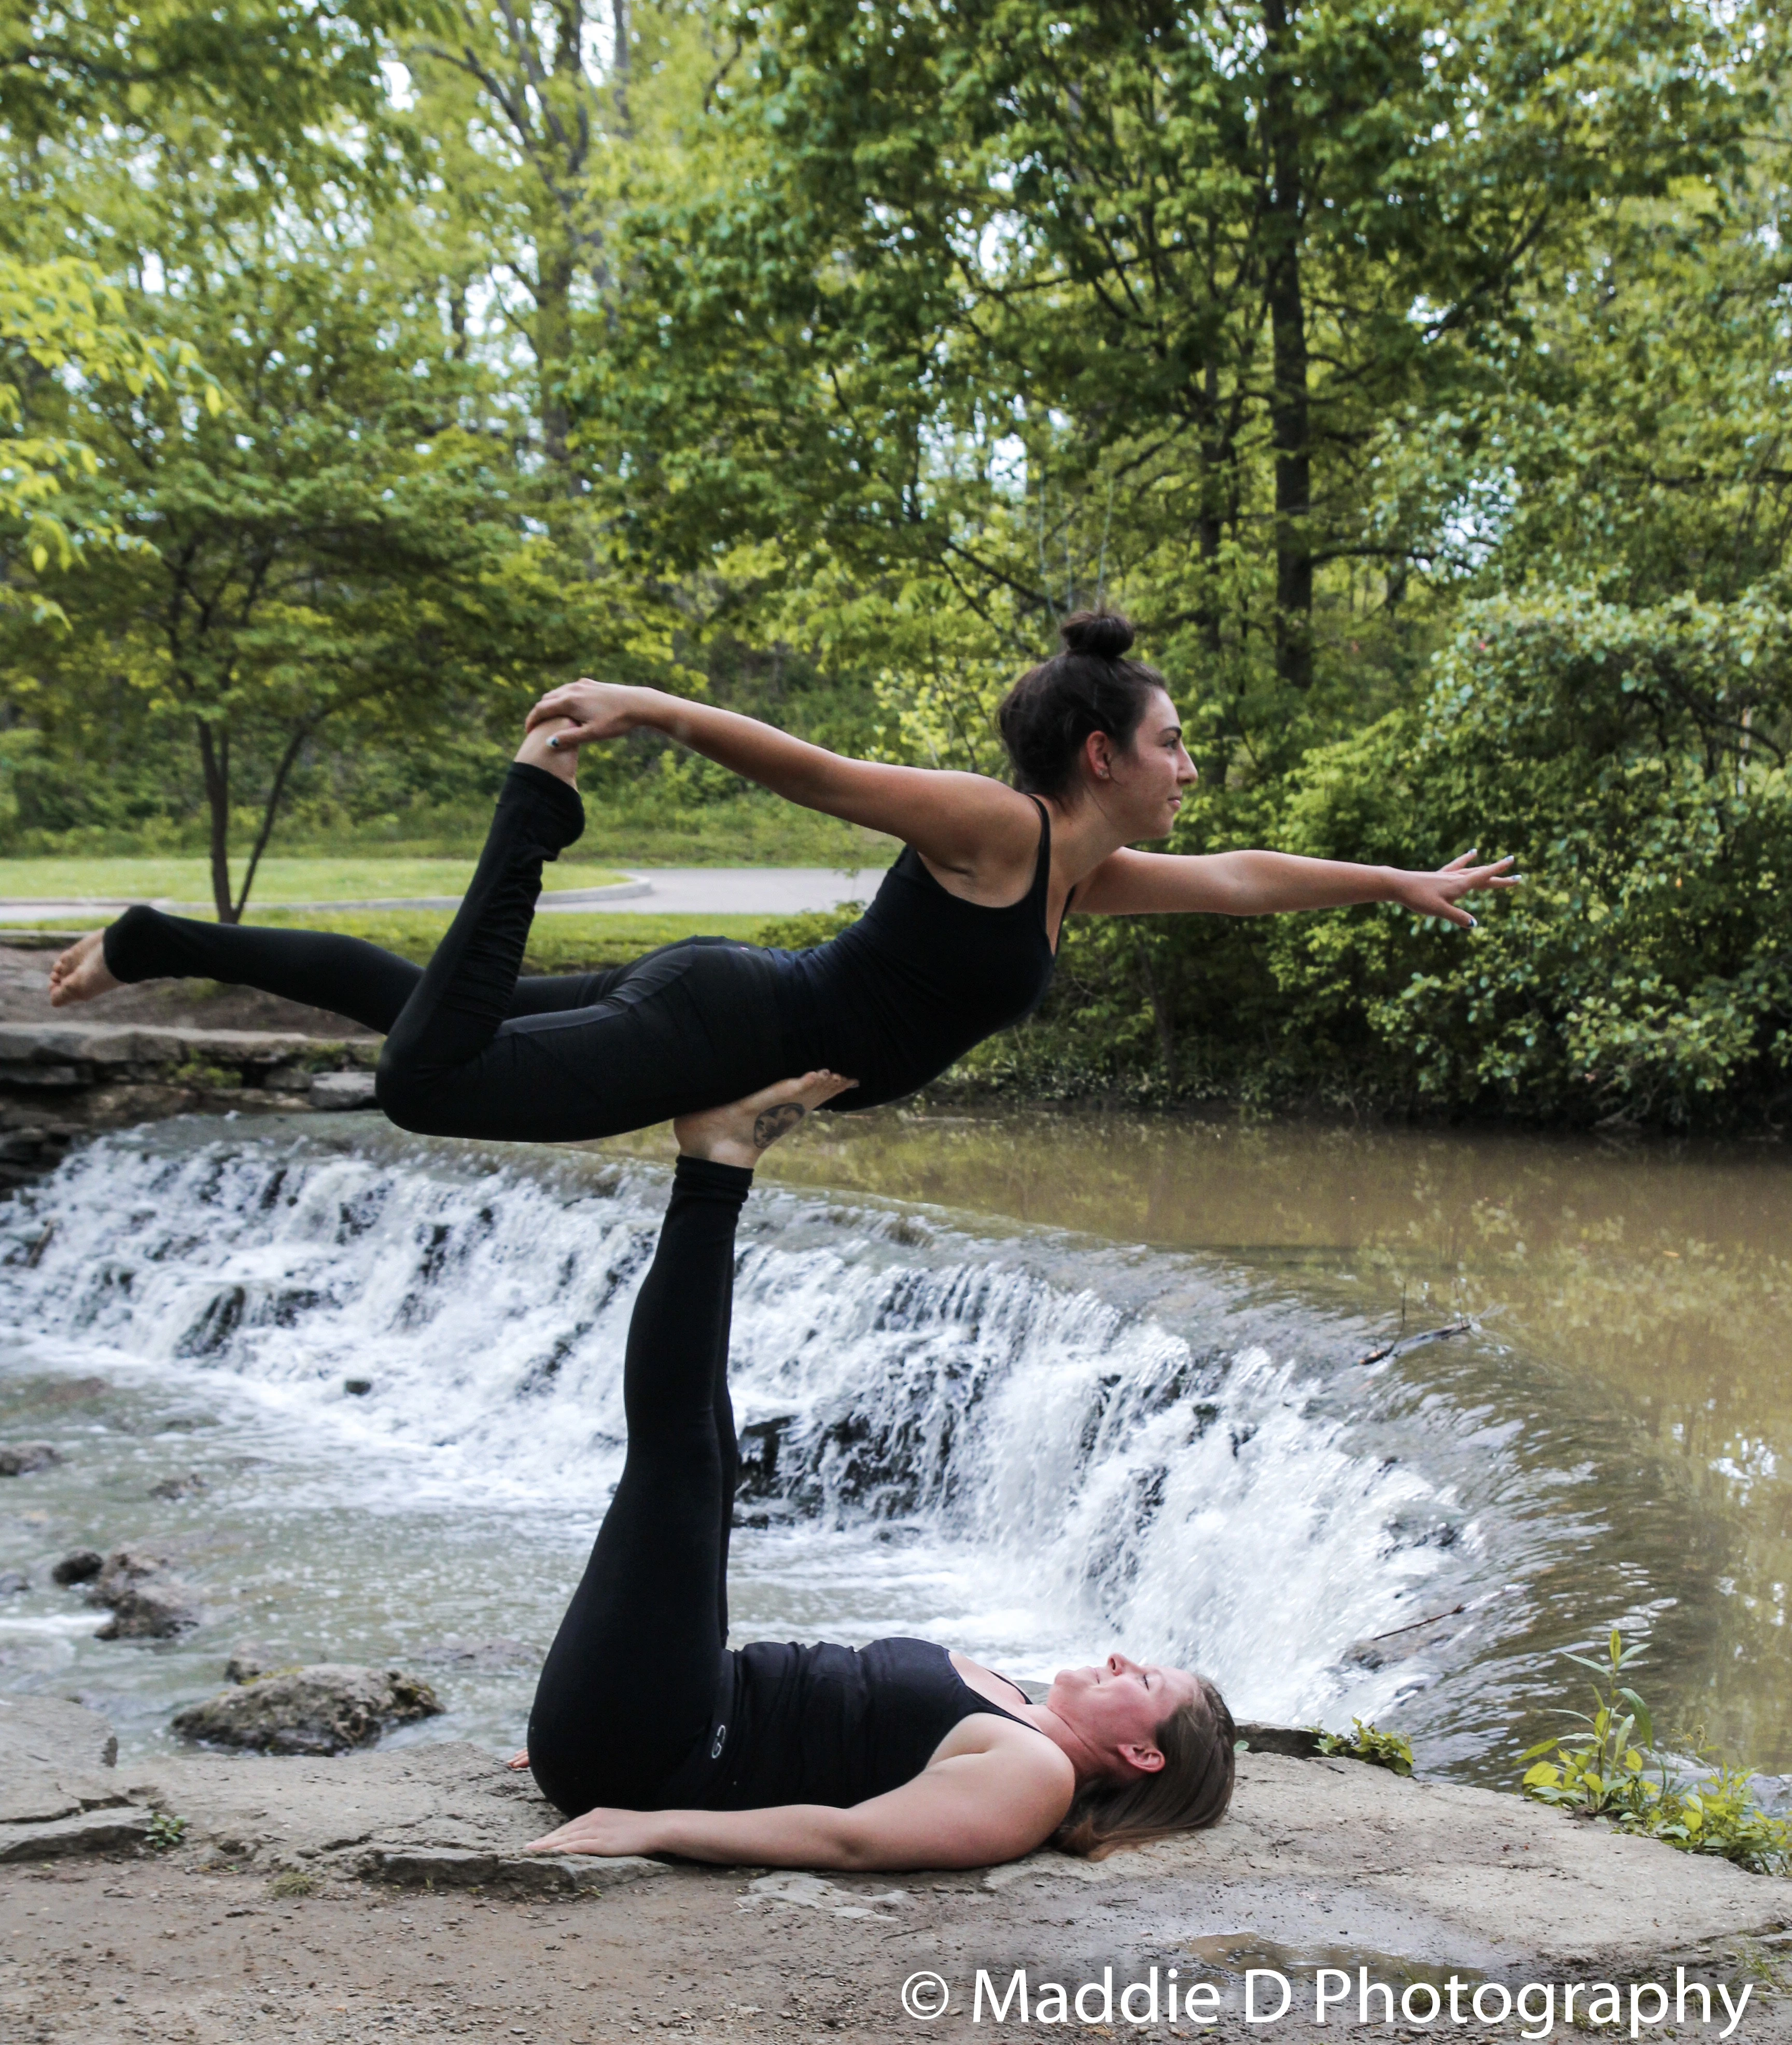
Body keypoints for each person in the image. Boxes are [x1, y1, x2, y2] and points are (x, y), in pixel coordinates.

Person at [47, 611, 1516, 1143]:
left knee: (431, 1004)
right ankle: (529, 811)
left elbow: (1248, 879)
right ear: (1097, 749)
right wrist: (648, 704)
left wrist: (1394, 881)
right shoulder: (997, 826)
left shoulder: (1087, 871)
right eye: (1174, 745)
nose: (1191, 768)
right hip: (721, 1028)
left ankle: (163, 933)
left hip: (728, 1005)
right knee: (429, 1080)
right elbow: (812, 769)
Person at [513, 1068, 1236, 1869]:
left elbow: (852, 1839)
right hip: (658, 1712)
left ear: (1143, 1756)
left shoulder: (1036, 1779)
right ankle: (718, 1160)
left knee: (680, 1447)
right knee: (707, 1441)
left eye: (1143, 1682)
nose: (1121, 1659)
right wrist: (593, 1710)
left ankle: (717, 1162)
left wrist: (651, 1823)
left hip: (660, 1751)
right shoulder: (1014, 1707)